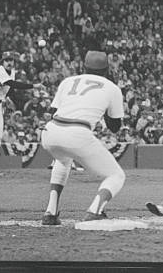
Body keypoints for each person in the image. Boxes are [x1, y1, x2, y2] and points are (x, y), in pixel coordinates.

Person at [40, 50, 125, 225]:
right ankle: (95, 210)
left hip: (50, 131)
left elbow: (52, 112)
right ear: (107, 69)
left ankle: (51, 212)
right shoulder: (111, 87)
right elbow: (115, 127)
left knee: (63, 161)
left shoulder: (68, 81)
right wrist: (106, 109)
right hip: (77, 132)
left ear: (83, 67)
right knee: (116, 175)